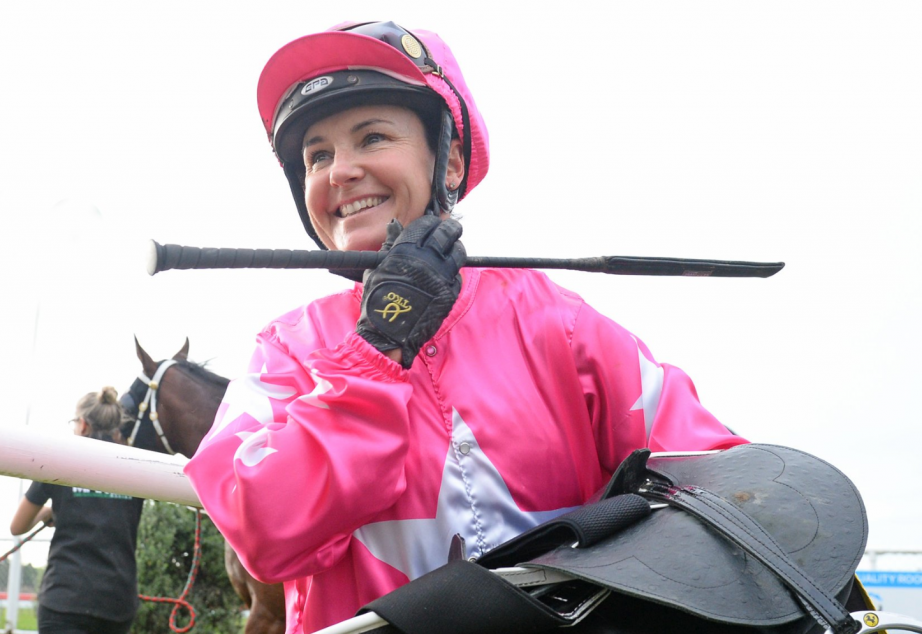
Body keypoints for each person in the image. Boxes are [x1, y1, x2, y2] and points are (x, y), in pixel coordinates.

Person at [183, 21, 747, 634]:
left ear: (449, 161)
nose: (339, 171)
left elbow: (724, 484)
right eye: (317, 155)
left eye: (372, 137)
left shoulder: (561, 323)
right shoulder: (283, 350)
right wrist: (381, 345)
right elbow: (261, 530)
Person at [10, 387, 144, 634]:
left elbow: (17, 526)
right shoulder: (137, 467)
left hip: (65, 600)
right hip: (117, 603)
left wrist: (48, 512)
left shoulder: (59, 461)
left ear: (83, 425)